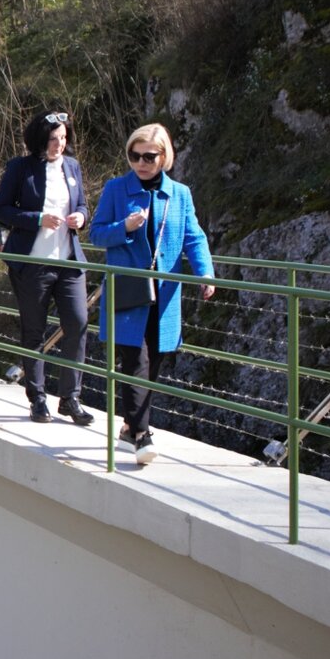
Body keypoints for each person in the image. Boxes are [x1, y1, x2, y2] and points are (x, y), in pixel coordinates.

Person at [89, 122, 215, 465]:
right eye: (134, 155)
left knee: (154, 361)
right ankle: (143, 435)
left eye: (148, 156)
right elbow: (96, 235)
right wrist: (125, 228)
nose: (140, 162)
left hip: (165, 293)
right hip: (128, 290)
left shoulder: (180, 194)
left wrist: (205, 272)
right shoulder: (116, 189)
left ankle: (131, 426)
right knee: (135, 361)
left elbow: (194, 236)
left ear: (164, 157)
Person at [0, 110, 93, 426]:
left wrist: (82, 217)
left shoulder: (72, 166)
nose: (59, 145)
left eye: (63, 139)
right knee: (34, 331)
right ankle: (37, 398)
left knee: (77, 322)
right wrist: (36, 218)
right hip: (33, 263)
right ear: (39, 139)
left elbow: (82, 204)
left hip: (69, 262)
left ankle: (70, 398)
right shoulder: (20, 168)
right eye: (52, 139)